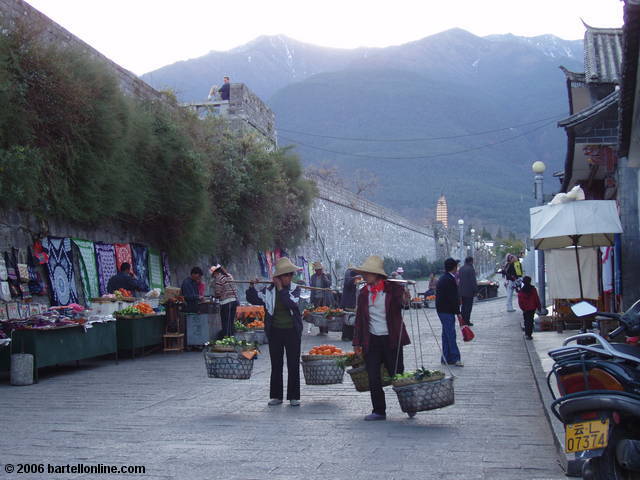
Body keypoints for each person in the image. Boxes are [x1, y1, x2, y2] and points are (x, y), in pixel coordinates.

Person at [353, 255, 411, 421]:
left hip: (391, 338)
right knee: (373, 375)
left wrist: (405, 298)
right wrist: (357, 343)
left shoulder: (393, 289)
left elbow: (404, 304)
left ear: (377, 275)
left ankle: (410, 404)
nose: (365, 276)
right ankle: (379, 410)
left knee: (397, 374)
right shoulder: (364, 293)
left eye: (368, 273)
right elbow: (359, 320)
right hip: (372, 339)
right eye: (364, 273)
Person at [246, 257, 303, 407]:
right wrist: (252, 286)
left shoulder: (295, 289)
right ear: (278, 277)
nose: (289, 277)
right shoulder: (268, 291)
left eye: (291, 274)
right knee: (276, 364)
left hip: (292, 331)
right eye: (286, 275)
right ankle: (276, 395)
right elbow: (254, 299)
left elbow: (291, 303)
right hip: (275, 331)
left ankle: (294, 396)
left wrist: (280, 289)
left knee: (293, 363)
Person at [436, 258, 464, 367]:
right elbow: (453, 298)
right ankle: (455, 357)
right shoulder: (449, 279)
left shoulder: (444, 278)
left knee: (446, 334)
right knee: (451, 334)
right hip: (447, 310)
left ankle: (445, 357)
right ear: (454, 268)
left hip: (442, 310)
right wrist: (458, 312)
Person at [210, 264, 239, 339]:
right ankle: (231, 338)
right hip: (234, 301)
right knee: (231, 322)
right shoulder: (229, 275)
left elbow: (218, 293)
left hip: (226, 302)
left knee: (225, 322)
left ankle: (226, 340)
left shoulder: (218, 278)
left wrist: (214, 295)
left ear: (215, 273)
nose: (213, 276)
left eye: (213, 275)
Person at [310, 261, 332, 336]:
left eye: (320, 269)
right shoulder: (313, 277)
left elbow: (329, 284)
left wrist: (324, 277)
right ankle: (321, 330)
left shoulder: (326, 276)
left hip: (324, 298)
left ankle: (325, 330)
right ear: (315, 270)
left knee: (325, 314)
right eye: (317, 270)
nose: (318, 271)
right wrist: (311, 299)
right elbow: (312, 289)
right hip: (316, 298)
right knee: (318, 314)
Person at [340, 266, 360, 342]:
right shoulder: (348, 275)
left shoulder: (352, 275)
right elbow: (348, 283)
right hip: (348, 301)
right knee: (347, 319)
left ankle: (350, 336)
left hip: (352, 301)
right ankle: (346, 336)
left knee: (351, 319)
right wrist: (355, 278)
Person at [458, 256, 478, 326]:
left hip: (461, 291)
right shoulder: (471, 269)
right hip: (469, 292)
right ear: (471, 261)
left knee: (463, 307)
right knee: (468, 307)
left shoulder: (461, 269)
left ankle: (462, 321)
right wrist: (476, 290)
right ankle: (467, 321)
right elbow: (473, 281)